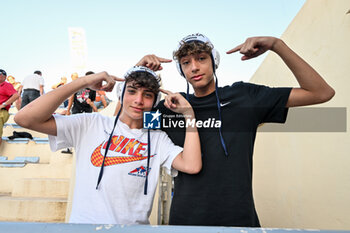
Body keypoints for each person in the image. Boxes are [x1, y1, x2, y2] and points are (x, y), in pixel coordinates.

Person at [135, 33, 335, 227]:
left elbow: (320, 93)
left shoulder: (245, 98)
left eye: (201, 59)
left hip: (239, 222)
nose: (194, 67)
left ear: (214, 61)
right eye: (186, 63)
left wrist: (277, 45)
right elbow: (126, 122)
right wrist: (137, 72)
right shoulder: (172, 107)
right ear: (181, 69)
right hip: (186, 223)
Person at [14, 66, 202, 225]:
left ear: (154, 102)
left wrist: (189, 115)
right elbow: (24, 118)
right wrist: (83, 82)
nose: (138, 100)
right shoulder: (91, 124)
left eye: (147, 95)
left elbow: (192, 165)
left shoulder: (158, 139)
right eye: (132, 91)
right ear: (121, 92)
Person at [0, 69, 20, 146]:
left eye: (1, 74)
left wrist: (3, 104)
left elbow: (16, 95)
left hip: (1, 111)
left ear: (4, 76)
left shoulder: (6, 85)